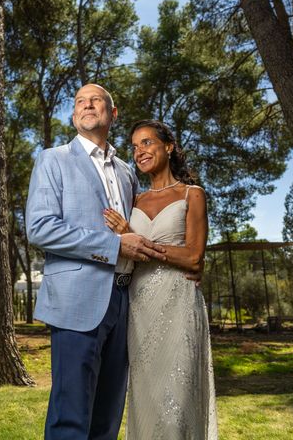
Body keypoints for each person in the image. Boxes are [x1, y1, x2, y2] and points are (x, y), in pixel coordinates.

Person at [26, 84, 171, 439]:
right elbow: (40, 229)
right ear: (74, 115)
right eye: (79, 102)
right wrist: (113, 246)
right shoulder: (52, 159)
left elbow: (136, 232)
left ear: (112, 112)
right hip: (77, 301)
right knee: (70, 418)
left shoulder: (126, 172)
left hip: (125, 302)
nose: (87, 105)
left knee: (107, 420)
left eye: (95, 100)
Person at [103, 119, 218, 439]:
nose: (139, 151)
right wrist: (128, 239)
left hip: (180, 300)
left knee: (179, 396)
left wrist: (136, 240)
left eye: (147, 143)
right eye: (135, 146)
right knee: (146, 395)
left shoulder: (193, 194)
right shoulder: (133, 202)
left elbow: (194, 256)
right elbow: (124, 250)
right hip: (139, 307)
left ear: (168, 146)